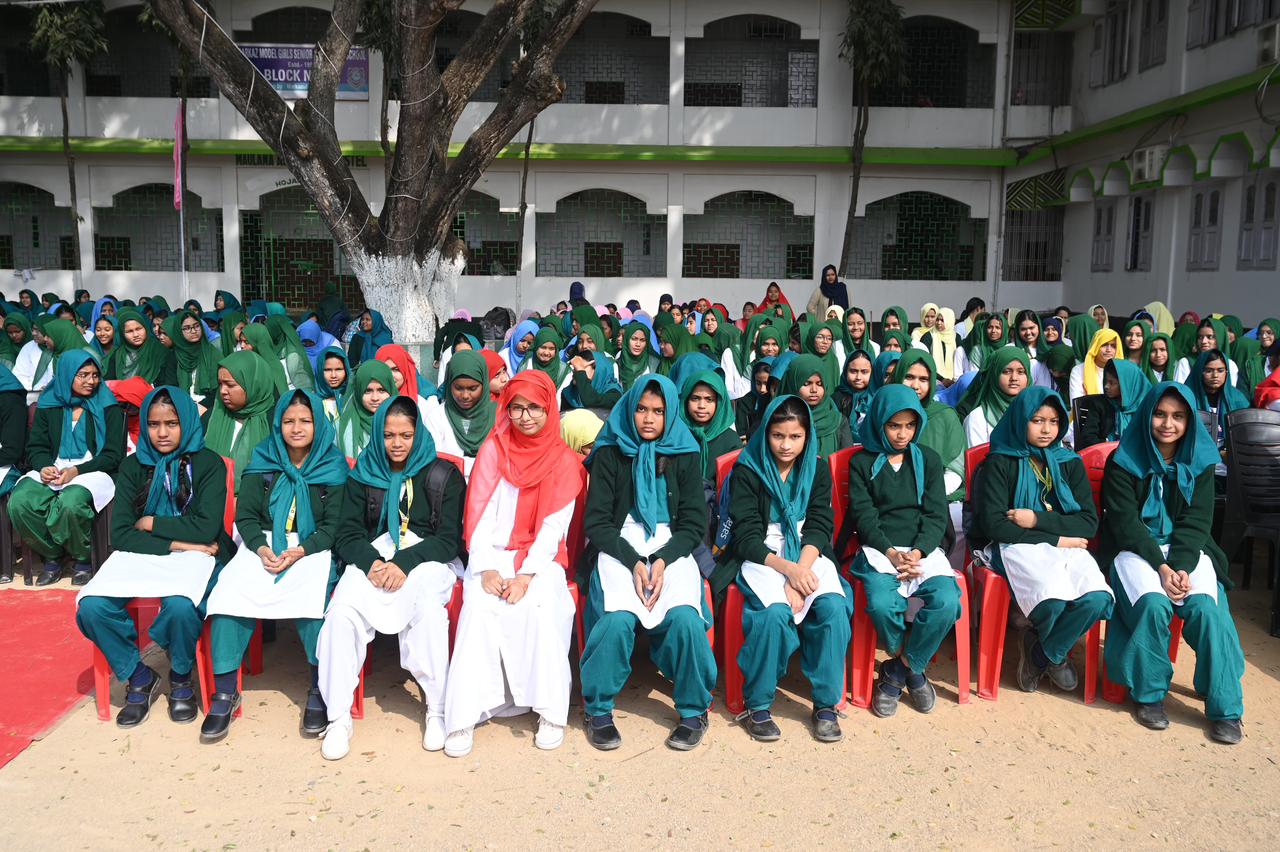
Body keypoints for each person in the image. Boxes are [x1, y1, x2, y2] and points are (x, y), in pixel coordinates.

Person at [442, 372, 585, 757]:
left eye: (534, 408)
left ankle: (550, 712)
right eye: (516, 408)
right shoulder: (494, 450)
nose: (524, 417)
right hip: (492, 554)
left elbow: (554, 527)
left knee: (538, 607)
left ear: (550, 409)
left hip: (541, 560)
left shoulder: (563, 460)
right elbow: (480, 515)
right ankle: (465, 714)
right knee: (479, 608)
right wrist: (486, 566)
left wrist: (525, 576)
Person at [316, 396, 467, 760]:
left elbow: (448, 540)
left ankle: (437, 708)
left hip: (426, 558)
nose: (396, 443)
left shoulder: (444, 475)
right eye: (388, 435)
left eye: (405, 435)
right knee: (341, 614)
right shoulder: (363, 473)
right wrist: (371, 562)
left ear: (419, 434)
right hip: (375, 557)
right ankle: (338, 716)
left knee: (428, 612)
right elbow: (347, 534)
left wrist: (404, 562)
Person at [75, 387, 233, 728]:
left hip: (203, 555)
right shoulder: (133, 465)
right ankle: (139, 675)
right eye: (153, 424)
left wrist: (150, 523)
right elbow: (121, 534)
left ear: (186, 422)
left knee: (181, 606)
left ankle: (180, 676)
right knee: (91, 607)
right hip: (149, 554)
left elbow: (207, 528)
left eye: (172, 423)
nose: (162, 433)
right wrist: (181, 543)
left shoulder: (208, 464)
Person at [1100, 383, 1245, 744]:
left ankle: (1225, 707)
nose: (1168, 424)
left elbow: (1197, 521)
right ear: (1147, 415)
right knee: (1153, 605)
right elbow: (1124, 523)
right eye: (1160, 414)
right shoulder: (1124, 459)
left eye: (1178, 416)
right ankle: (1149, 695)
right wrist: (1161, 568)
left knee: (1207, 611)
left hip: (1187, 549)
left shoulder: (1201, 460)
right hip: (1136, 549)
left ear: (1190, 421)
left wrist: (1179, 565)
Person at [202, 390, 350, 742]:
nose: (296, 428)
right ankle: (225, 692)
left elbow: (335, 525)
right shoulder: (264, 457)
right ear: (277, 424)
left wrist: (302, 550)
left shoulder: (332, 464)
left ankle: (319, 687)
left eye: (305, 421)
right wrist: (260, 546)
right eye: (288, 421)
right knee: (227, 597)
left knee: (316, 604)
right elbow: (246, 516)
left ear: (318, 423)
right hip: (264, 544)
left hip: (313, 546)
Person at [578, 377, 716, 752]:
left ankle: (694, 709)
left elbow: (693, 524)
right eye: (641, 409)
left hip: (672, 545)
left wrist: (663, 560)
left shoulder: (684, 450)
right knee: (616, 619)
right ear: (629, 409)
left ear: (670, 413)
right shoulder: (611, 450)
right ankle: (598, 709)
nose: (649, 418)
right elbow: (598, 523)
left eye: (658, 411)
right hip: (620, 543)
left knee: (685, 618)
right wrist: (635, 562)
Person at [718, 394, 852, 742]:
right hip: (762, 555)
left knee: (833, 609)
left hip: (807, 551)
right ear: (766, 432)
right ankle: (758, 703)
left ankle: (826, 703)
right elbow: (746, 536)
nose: (786, 445)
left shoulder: (816, 468)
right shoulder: (748, 469)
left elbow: (820, 525)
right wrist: (788, 572)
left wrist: (800, 571)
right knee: (773, 614)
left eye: (795, 436)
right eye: (778, 435)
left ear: (807, 436)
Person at [975, 387, 1114, 695]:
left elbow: (1088, 523)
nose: (1046, 429)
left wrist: (1037, 520)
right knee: (1050, 602)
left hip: (1063, 545)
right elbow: (996, 526)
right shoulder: (1001, 461)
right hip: (1017, 546)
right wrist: (1058, 537)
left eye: (1053, 421)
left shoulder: (1068, 462)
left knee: (1098, 598)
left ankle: (1041, 653)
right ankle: (1055, 654)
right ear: (1021, 420)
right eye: (1037, 420)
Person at [846, 385, 961, 718]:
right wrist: (892, 553)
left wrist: (919, 552)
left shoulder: (928, 459)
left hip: (922, 550)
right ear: (879, 423)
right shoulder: (862, 462)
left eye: (910, 425)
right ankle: (909, 665)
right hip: (880, 549)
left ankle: (900, 669)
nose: (902, 434)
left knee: (947, 602)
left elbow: (936, 514)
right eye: (894, 425)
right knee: (882, 604)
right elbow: (865, 516)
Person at [9, 351, 124, 586]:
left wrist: (76, 471)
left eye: (95, 375)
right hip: (56, 466)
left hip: (93, 470)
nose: (91, 381)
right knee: (19, 502)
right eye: (83, 375)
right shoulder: (49, 404)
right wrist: (44, 466)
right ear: (66, 374)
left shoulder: (107, 404)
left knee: (70, 503)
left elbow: (113, 455)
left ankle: (82, 559)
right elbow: (37, 446)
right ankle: (53, 556)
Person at [203, 352, 277, 486]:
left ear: (253, 384)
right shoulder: (211, 417)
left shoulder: (275, 421)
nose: (223, 391)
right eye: (220, 384)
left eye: (230, 385)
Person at [421, 350, 495, 476]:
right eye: (458, 388)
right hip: (448, 485)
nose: (465, 395)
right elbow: (433, 460)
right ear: (449, 384)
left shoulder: (498, 415)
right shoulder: (437, 417)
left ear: (484, 384)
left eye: (473, 388)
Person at [777, 354, 852, 457]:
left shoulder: (837, 421)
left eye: (819, 384)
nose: (814, 390)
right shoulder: (779, 418)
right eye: (806, 384)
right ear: (793, 384)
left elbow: (846, 459)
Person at [678, 366, 741, 482]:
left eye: (709, 399)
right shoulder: (676, 435)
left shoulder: (731, 441)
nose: (701, 406)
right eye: (695, 398)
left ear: (719, 402)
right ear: (686, 400)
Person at [963, 348, 1032, 447]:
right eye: (1006, 372)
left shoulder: (1037, 412)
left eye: (1021, 372)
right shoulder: (978, 418)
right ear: (994, 374)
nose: (1014, 378)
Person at [106, 308, 179, 388]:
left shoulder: (159, 351)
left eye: (138, 329)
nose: (136, 335)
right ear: (122, 334)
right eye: (129, 331)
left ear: (145, 328)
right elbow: (109, 382)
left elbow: (165, 382)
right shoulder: (118, 355)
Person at [336, 360, 395, 459]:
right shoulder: (341, 426)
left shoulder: (404, 423)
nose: (375, 398)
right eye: (367, 391)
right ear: (358, 391)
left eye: (381, 390)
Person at [161, 310, 220, 404]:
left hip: (209, 405)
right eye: (187, 328)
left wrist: (203, 406)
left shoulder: (213, 353)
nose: (193, 331)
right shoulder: (174, 356)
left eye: (197, 326)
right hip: (182, 404)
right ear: (179, 331)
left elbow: (219, 389)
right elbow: (171, 387)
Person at [1173, 318, 1239, 386]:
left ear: (1220, 339)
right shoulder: (1186, 363)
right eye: (1200, 337)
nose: (1203, 341)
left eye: (1210, 337)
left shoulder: (1230, 365)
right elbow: (1179, 390)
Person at [1068, 327, 1120, 403]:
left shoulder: (1121, 372)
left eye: (1113, 346)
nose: (1108, 350)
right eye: (1104, 344)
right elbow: (1077, 403)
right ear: (1095, 346)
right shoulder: (1079, 370)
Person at [955, 312, 1007, 377]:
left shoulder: (1008, 348)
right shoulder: (978, 350)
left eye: (997, 327)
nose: (993, 331)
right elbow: (974, 376)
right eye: (990, 327)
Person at [520, 326, 572, 391]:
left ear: (556, 350)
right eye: (543, 347)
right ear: (536, 346)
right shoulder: (526, 366)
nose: (546, 353)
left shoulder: (563, 371)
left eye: (551, 349)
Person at [915, 307, 957, 385]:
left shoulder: (956, 337)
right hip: (933, 379)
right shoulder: (928, 336)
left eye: (942, 320)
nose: (939, 323)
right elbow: (924, 361)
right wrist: (941, 379)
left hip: (955, 381)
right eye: (937, 319)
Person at [315, 345, 351, 426]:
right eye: (327, 370)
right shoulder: (312, 402)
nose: (333, 375)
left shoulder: (352, 398)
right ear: (320, 371)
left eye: (338, 369)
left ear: (346, 370)